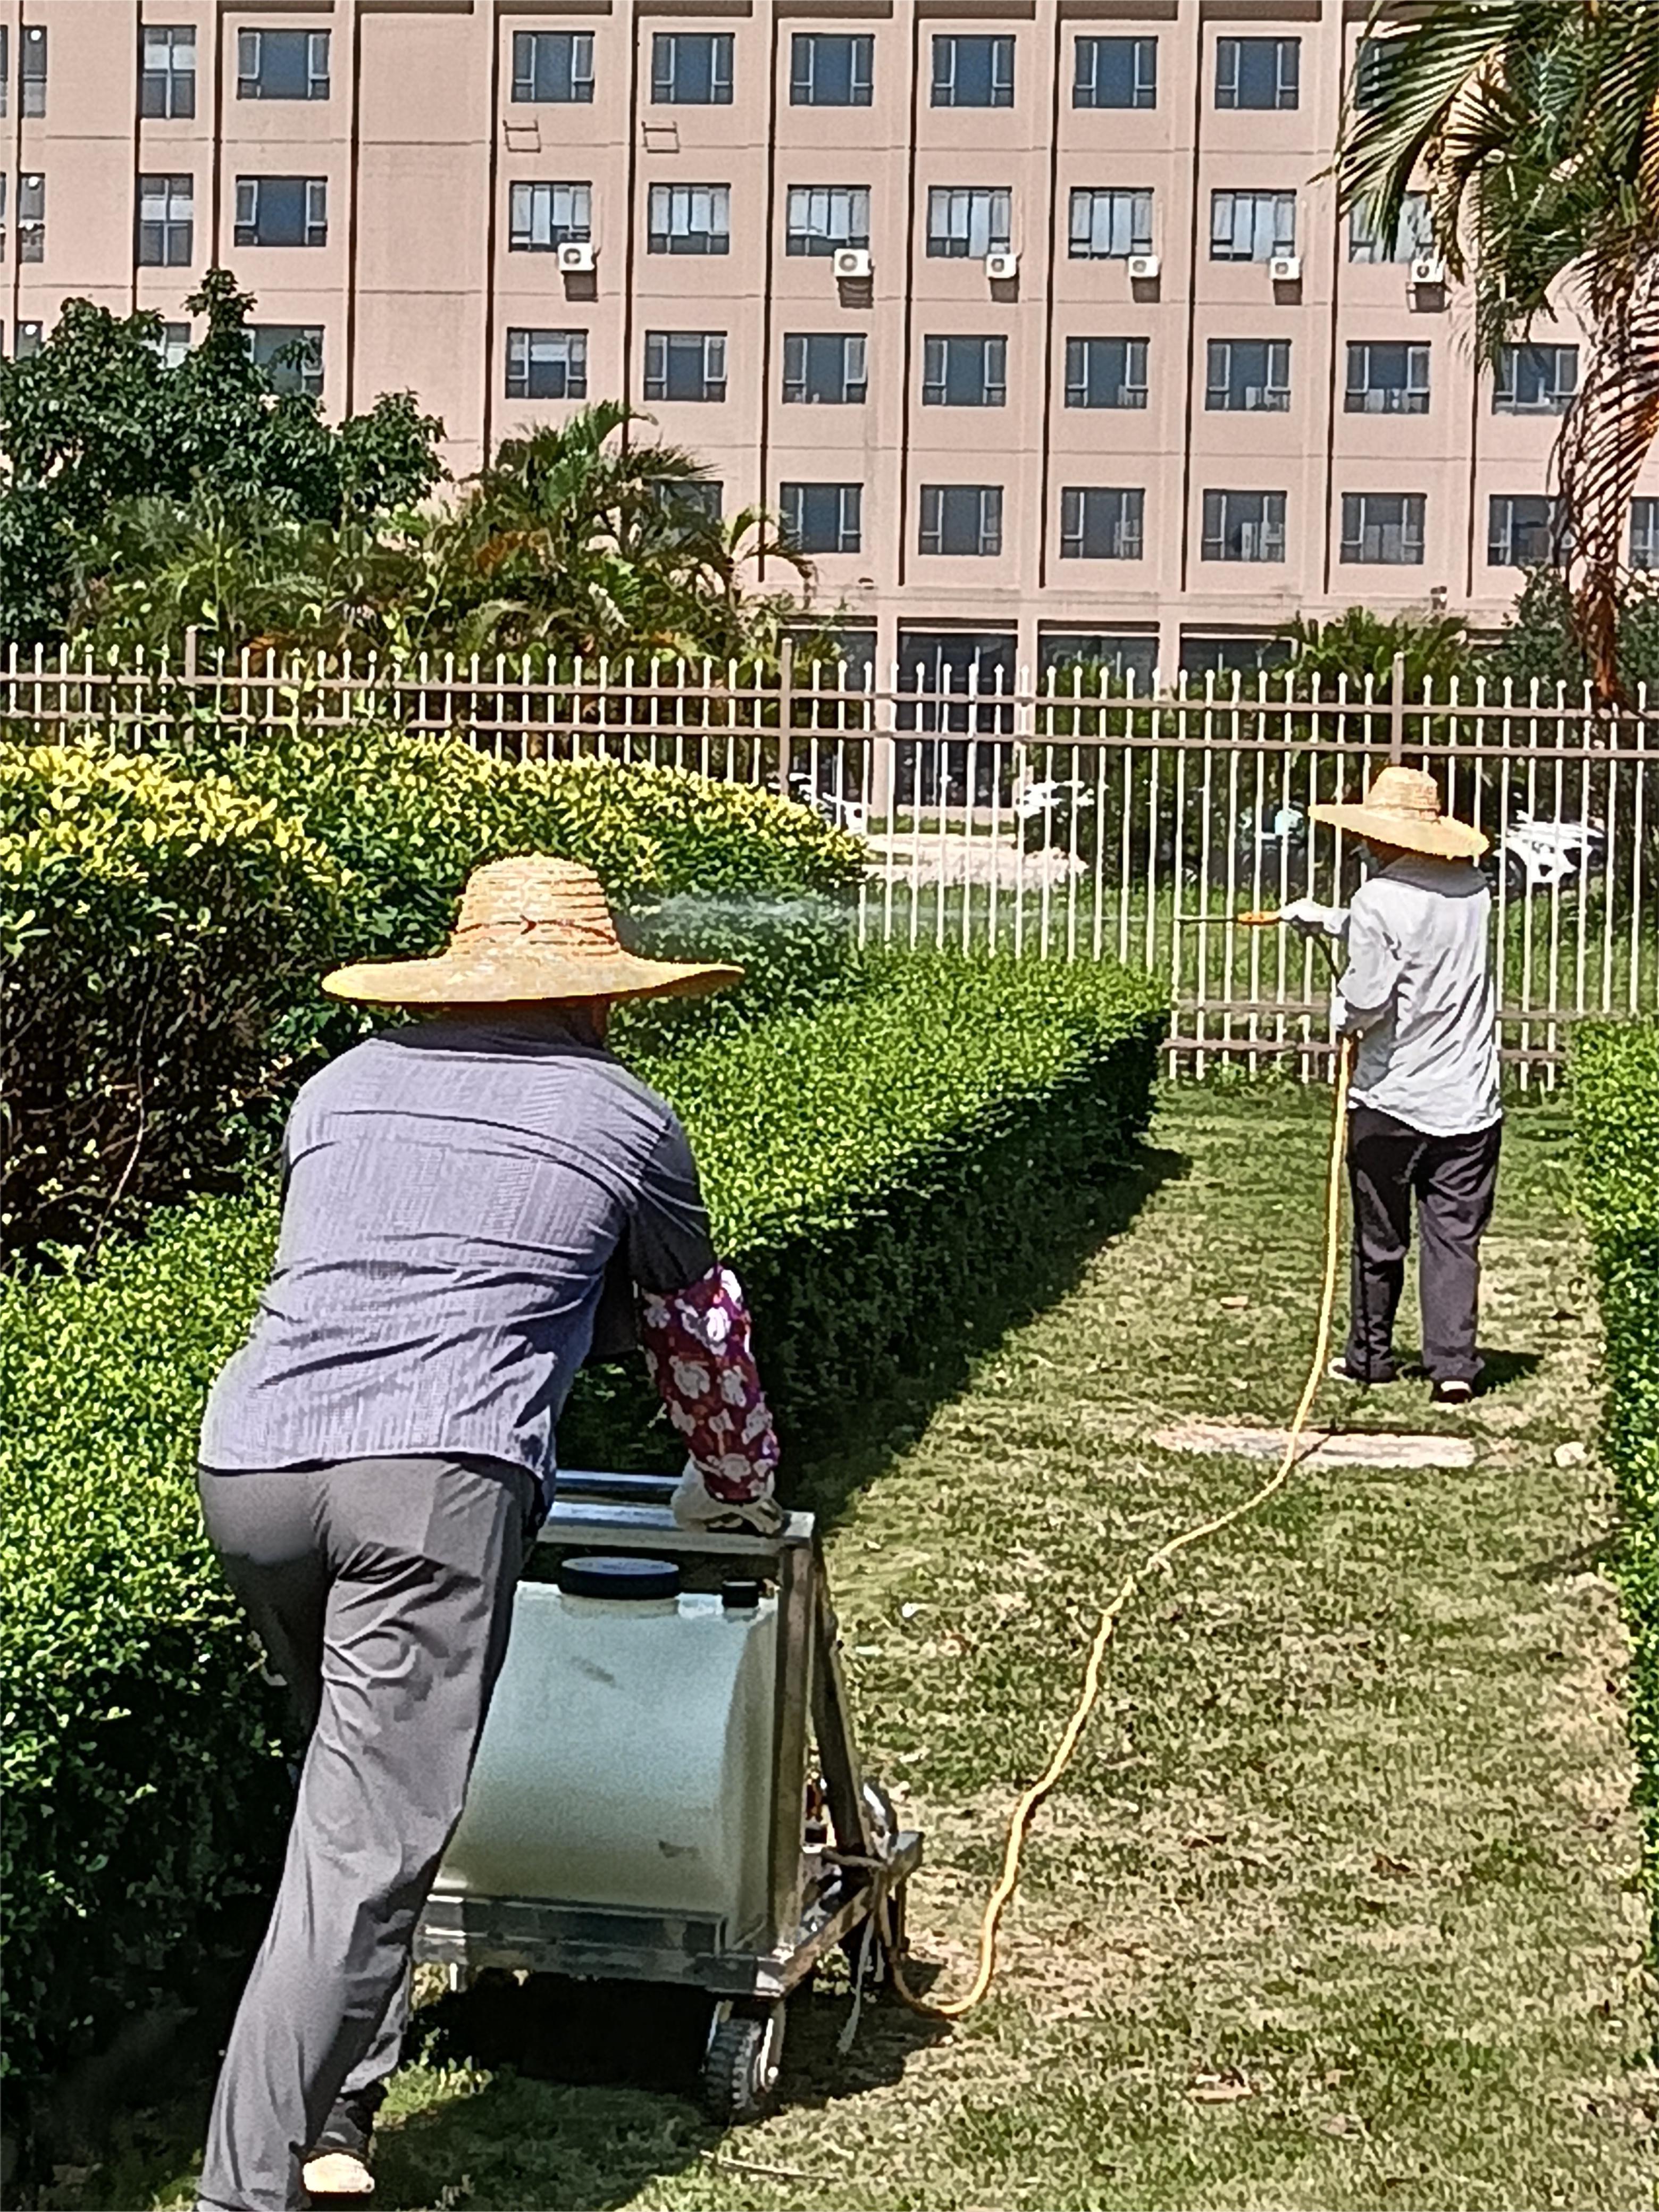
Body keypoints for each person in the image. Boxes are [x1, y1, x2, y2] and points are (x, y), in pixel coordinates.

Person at [192, 856, 785, 2212]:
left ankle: (339, 2109)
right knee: (365, 1841)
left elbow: (380, 1267)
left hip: (254, 1466)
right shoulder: (623, 1113)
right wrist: (739, 1478)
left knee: (340, 1798)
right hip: (433, 1482)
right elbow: (694, 1327)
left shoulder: (337, 1087)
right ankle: (249, 2183)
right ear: (596, 995)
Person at [1280, 765, 1500, 1409]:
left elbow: (1368, 996)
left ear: (1385, 837)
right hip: (1468, 1099)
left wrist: (1338, 1012)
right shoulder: (1474, 889)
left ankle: (1371, 1355)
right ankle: (1453, 1366)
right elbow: (1419, 930)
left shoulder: (1380, 899)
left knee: (1380, 1233)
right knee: (1454, 1236)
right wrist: (1331, 920)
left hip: (1392, 1098)